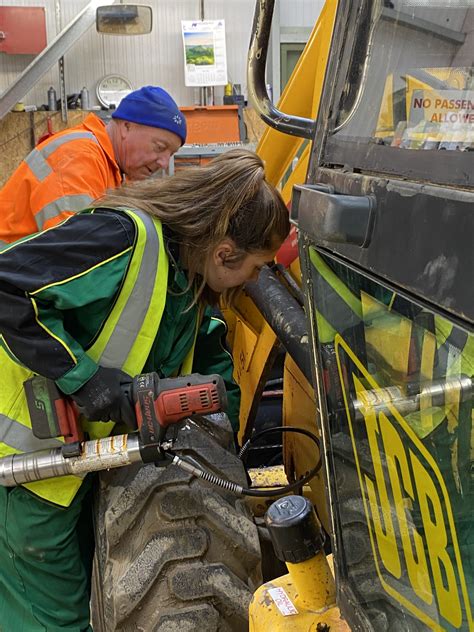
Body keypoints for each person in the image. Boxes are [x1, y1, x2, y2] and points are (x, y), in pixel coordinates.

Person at [0, 148, 290, 630]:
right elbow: (7, 286)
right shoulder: (121, 238)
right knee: (48, 616)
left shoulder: (187, 284)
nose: (256, 280)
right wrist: (86, 379)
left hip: (79, 462)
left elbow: (212, 377)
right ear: (224, 253)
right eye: (256, 267)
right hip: (26, 462)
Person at [0, 85, 187, 244]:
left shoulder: (110, 168)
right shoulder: (78, 157)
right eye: (160, 147)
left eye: (171, 154)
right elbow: (78, 249)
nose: (163, 163)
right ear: (127, 127)